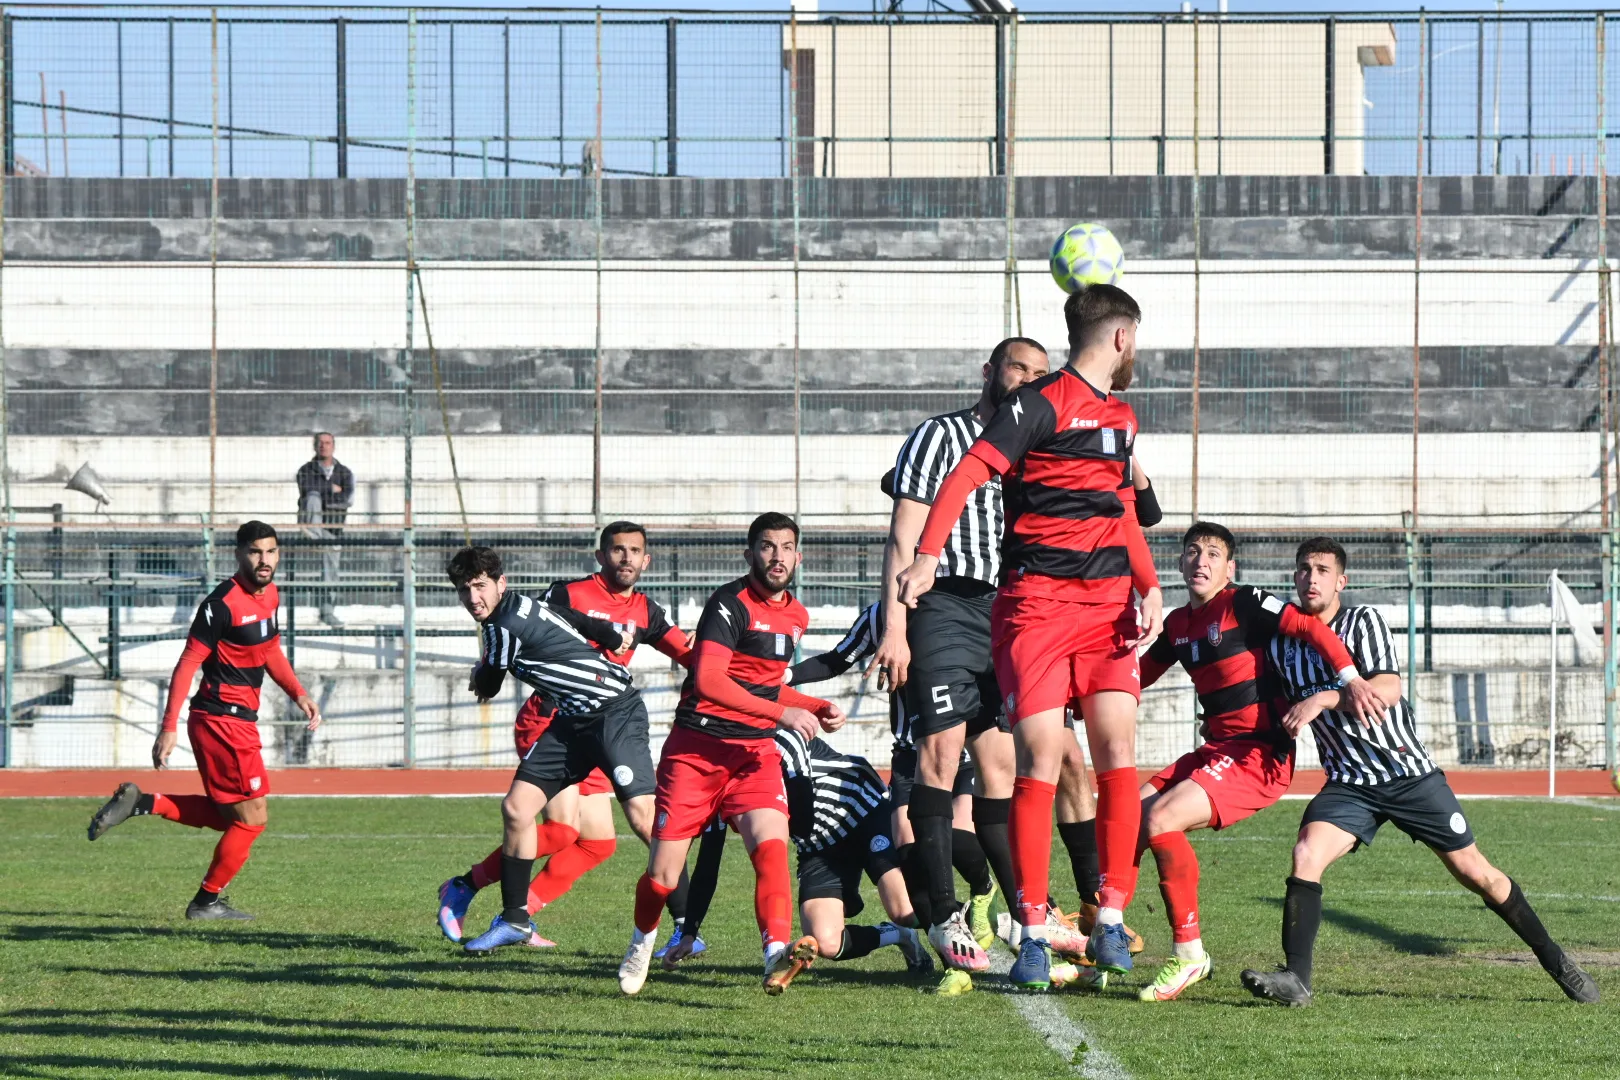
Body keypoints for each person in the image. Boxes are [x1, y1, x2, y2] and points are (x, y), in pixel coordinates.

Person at [897, 284, 1164, 991]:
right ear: (1121, 337)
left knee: (1115, 752)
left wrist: (1150, 584)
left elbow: (1121, 513)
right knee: (1040, 759)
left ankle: (1109, 914)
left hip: (1106, 609)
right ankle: (1035, 923)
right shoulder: (1039, 402)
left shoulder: (1122, 415)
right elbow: (966, 474)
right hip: (1037, 608)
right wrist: (927, 557)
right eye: (1136, 335)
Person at [1240, 537, 1599, 1007]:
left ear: (1340, 581)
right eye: (1304, 569)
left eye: (1323, 570)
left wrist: (1324, 697)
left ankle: (1556, 961)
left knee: (1477, 872)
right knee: (1306, 852)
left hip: (1409, 775)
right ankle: (1297, 980)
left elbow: (1386, 688)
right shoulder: (1283, 644)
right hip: (1350, 784)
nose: (1312, 577)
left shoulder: (1361, 622)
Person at [1127, 522, 1379, 1001]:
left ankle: (1188, 955)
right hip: (1217, 750)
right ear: (1179, 562)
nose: (1201, 561)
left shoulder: (1243, 602)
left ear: (1230, 567)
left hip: (1259, 755)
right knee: (1126, 817)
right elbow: (1138, 679)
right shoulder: (1178, 624)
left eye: (1213, 554)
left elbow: (1306, 626)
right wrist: (1074, 697)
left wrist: (1348, 678)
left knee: (1160, 819)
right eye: (1193, 552)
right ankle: (1106, 930)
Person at [873, 337, 1050, 984]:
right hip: (943, 603)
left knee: (1003, 764)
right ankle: (945, 913)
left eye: (1037, 373)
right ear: (990, 372)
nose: (1025, 380)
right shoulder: (939, 436)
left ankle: (1029, 915)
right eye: (1017, 367)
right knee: (940, 757)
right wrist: (895, 627)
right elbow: (903, 536)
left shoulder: (1035, 448)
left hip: (1005, 614)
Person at [617, 512, 846, 996]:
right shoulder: (729, 603)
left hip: (753, 755)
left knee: (771, 849)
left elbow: (766, 687)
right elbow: (711, 681)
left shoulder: (797, 615)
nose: (777, 556)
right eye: (767, 546)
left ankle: (775, 953)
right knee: (662, 876)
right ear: (750, 554)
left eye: (786, 547)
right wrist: (784, 714)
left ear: (798, 556)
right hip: (697, 753)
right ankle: (642, 941)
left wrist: (814, 704)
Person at [437, 522, 696, 948]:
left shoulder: (504, 627)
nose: (473, 598)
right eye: (465, 591)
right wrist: (609, 633)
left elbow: (490, 683)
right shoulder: (545, 597)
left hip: (613, 713)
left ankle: (687, 929)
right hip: (563, 719)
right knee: (522, 811)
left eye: (479, 587)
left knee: (627, 827)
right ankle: (513, 916)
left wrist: (480, 675)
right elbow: (574, 616)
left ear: (500, 583)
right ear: (602, 555)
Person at [87, 521, 321, 921]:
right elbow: (187, 665)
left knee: (231, 815)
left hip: (236, 721)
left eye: (270, 551)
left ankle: (144, 803)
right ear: (238, 554)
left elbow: (269, 651)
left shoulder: (271, 595)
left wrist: (297, 693)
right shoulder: (221, 604)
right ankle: (206, 902)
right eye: (254, 552)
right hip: (220, 721)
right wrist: (168, 727)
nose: (264, 560)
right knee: (253, 819)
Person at [668, 727, 936, 982]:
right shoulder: (717, 775)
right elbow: (708, 861)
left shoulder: (782, 738)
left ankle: (967, 933)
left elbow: (803, 817)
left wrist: (762, 818)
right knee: (827, 941)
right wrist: (689, 932)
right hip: (817, 846)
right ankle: (901, 936)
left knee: (904, 909)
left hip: (862, 813)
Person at [295, 432, 354, 628]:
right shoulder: (306, 470)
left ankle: (327, 611)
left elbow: (348, 499)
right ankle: (313, 536)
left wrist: (324, 492)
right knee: (312, 497)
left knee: (331, 570)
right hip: (313, 524)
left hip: (333, 526)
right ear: (315, 446)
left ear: (333, 446)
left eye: (327, 443)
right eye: (320, 443)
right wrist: (331, 490)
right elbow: (307, 488)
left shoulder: (344, 472)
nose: (324, 446)